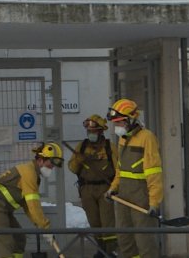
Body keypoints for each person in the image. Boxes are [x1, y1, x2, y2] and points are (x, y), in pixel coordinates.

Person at [0, 142, 64, 258]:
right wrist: (44, 226)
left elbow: (28, 207)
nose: (52, 167)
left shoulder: (33, 175)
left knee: (19, 239)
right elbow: (33, 206)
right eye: (51, 163)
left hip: (2, 208)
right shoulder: (29, 173)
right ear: (40, 160)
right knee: (6, 243)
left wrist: (41, 226)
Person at [104, 98, 163, 258]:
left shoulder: (147, 137)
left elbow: (154, 174)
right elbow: (120, 170)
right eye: (115, 123)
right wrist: (113, 188)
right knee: (125, 241)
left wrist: (154, 202)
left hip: (141, 199)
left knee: (145, 243)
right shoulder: (123, 139)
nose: (117, 127)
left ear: (131, 119)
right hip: (124, 197)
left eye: (119, 122)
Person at [68, 115, 118, 258]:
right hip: (87, 190)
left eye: (94, 131)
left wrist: (114, 188)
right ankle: (100, 250)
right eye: (89, 131)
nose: (91, 134)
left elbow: (118, 168)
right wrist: (79, 159)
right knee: (94, 222)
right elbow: (72, 168)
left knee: (107, 222)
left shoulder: (110, 148)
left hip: (105, 189)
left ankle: (110, 251)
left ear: (101, 132)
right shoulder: (81, 147)